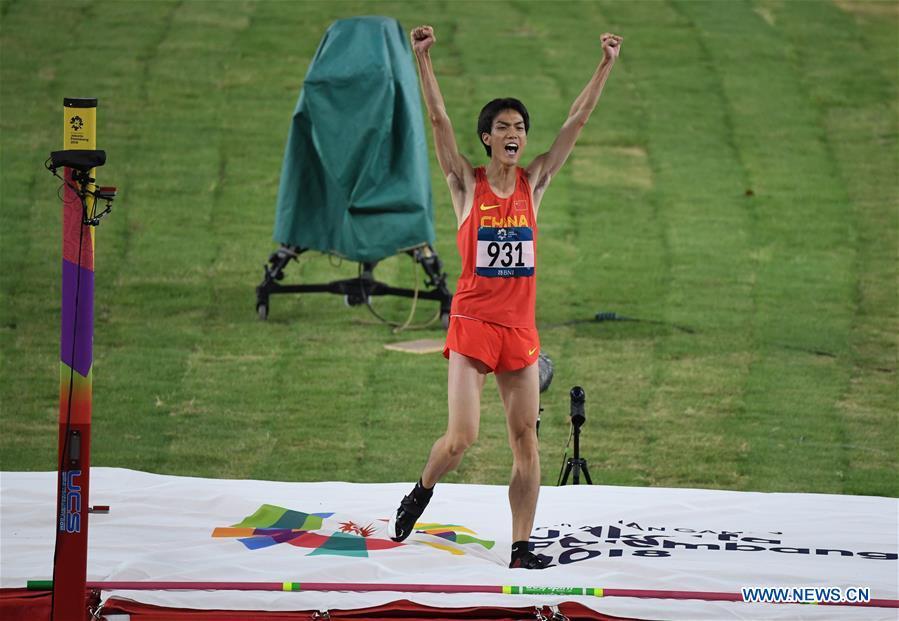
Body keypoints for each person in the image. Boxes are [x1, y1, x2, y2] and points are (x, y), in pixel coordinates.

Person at [388, 24, 622, 569]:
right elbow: (439, 122)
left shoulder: (534, 184)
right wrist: (423, 59)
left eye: (519, 126)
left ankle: (520, 548)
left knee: (527, 443)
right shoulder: (465, 185)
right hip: (472, 327)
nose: (514, 133)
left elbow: (576, 122)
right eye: (502, 127)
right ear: (487, 138)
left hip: (519, 334)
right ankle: (421, 489)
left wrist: (605, 64)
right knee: (461, 439)